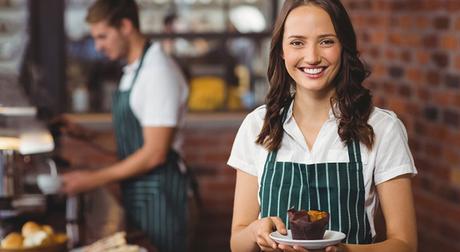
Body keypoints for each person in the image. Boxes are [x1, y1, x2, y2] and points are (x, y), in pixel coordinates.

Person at [227, 0, 417, 252]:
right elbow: (237, 243)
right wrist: (255, 231)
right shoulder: (257, 126)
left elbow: (405, 244)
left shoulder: (381, 127)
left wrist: (344, 251)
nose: (312, 57)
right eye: (297, 42)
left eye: (326, 41)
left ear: (344, 47)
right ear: (281, 50)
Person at [60, 1, 190, 251]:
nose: (97, 46)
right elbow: (133, 142)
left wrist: (92, 179)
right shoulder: (133, 70)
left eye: (103, 36)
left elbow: (154, 153)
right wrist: (85, 135)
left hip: (161, 195)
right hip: (141, 192)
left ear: (126, 26)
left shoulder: (157, 72)